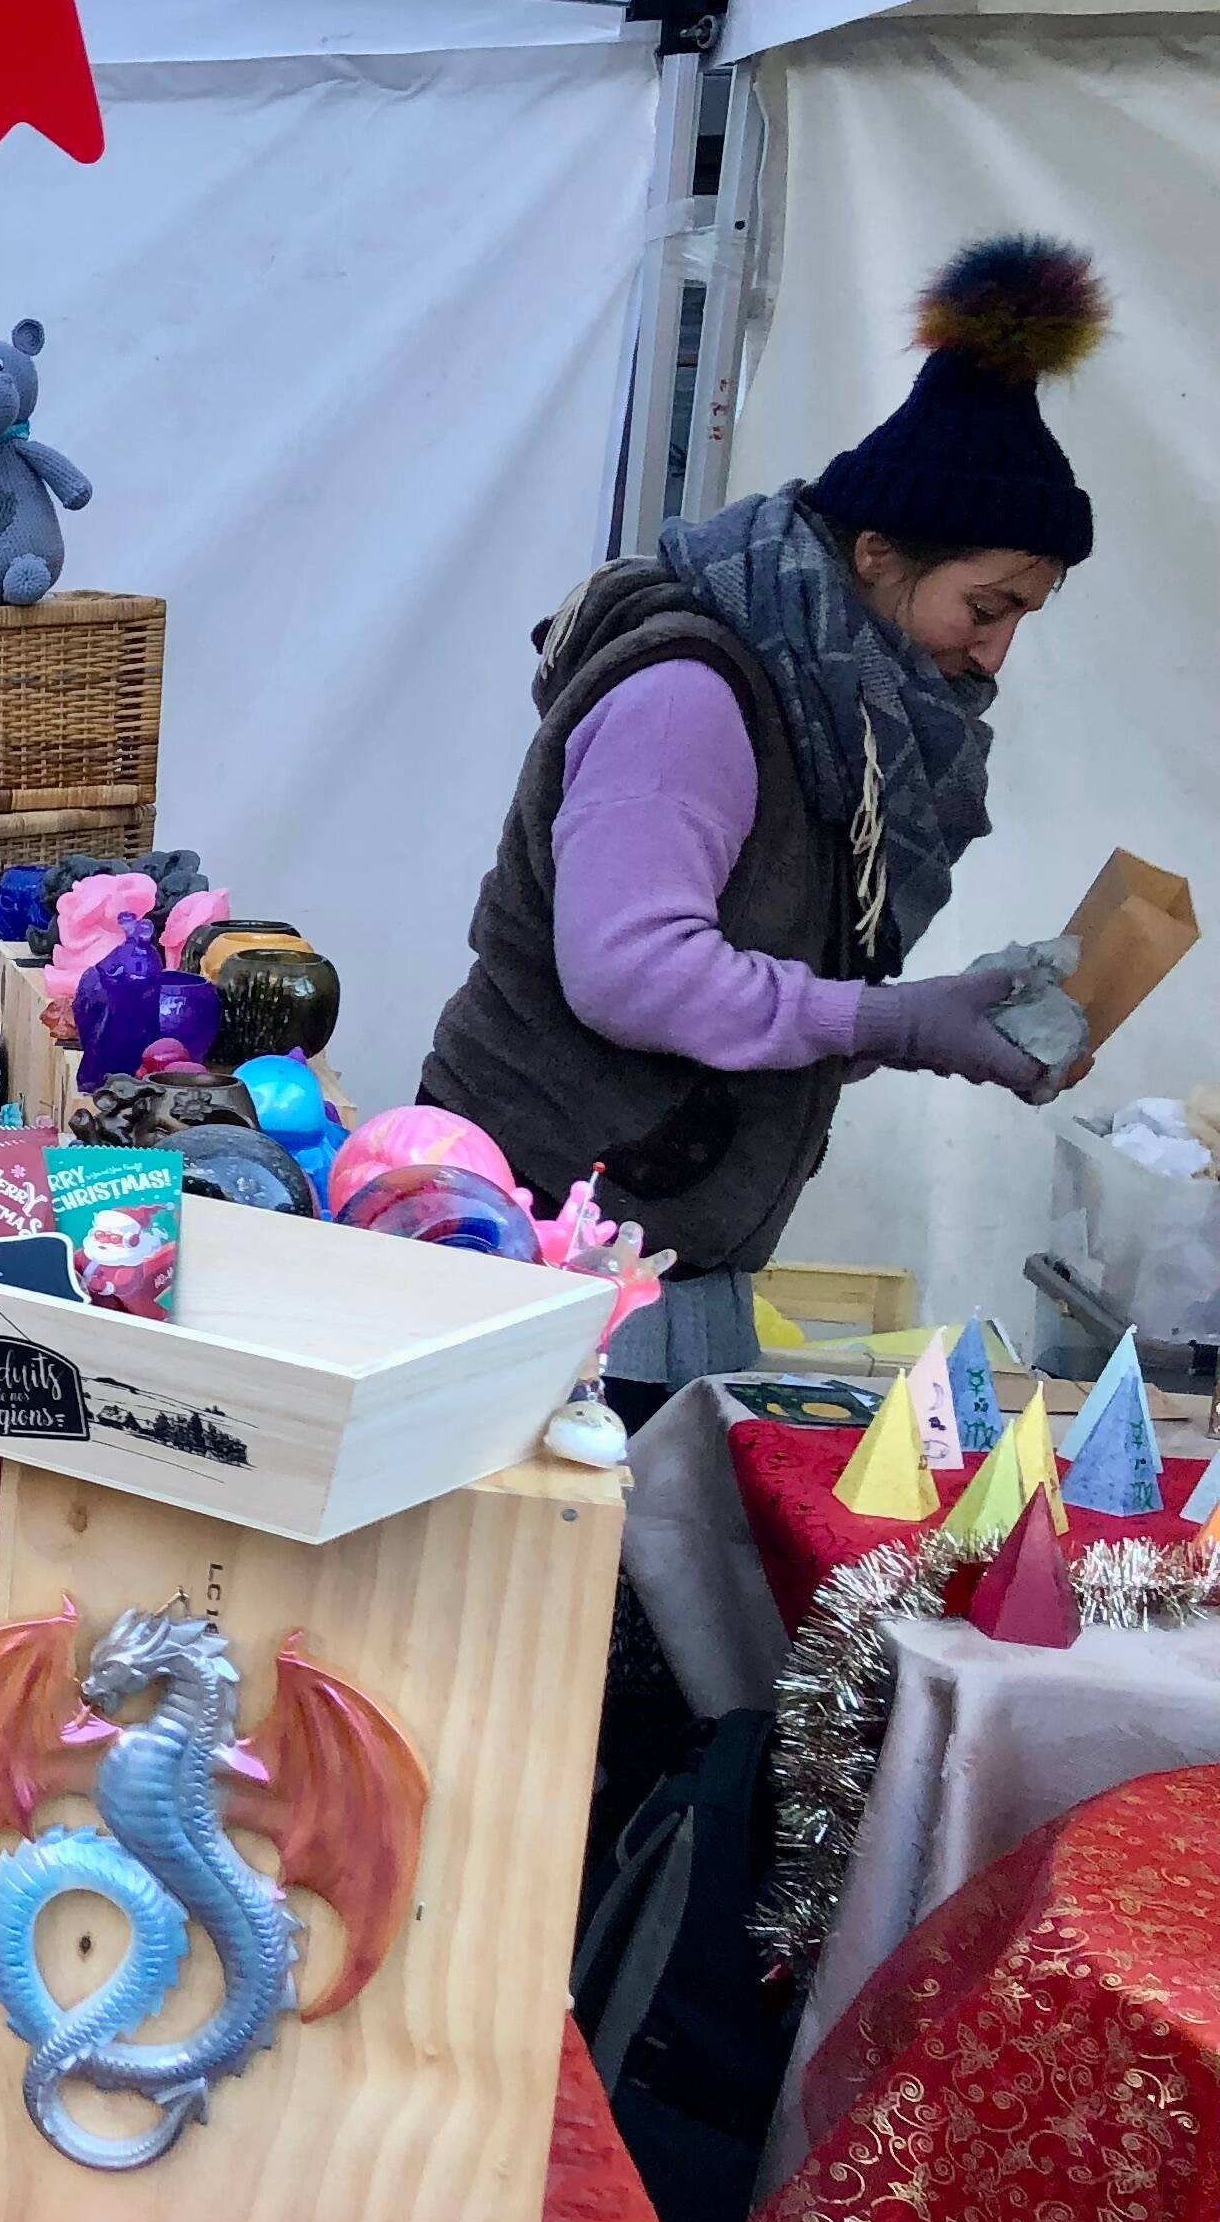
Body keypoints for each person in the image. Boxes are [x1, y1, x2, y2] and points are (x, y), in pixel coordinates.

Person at [421, 238, 1106, 1398]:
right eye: (984, 607)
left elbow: (772, 993)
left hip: (659, 1273)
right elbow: (631, 972)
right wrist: (894, 1020)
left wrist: (947, 1019)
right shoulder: (693, 696)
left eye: (1022, 617)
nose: (994, 651)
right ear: (878, 552)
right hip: (534, 1266)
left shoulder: (834, 720)